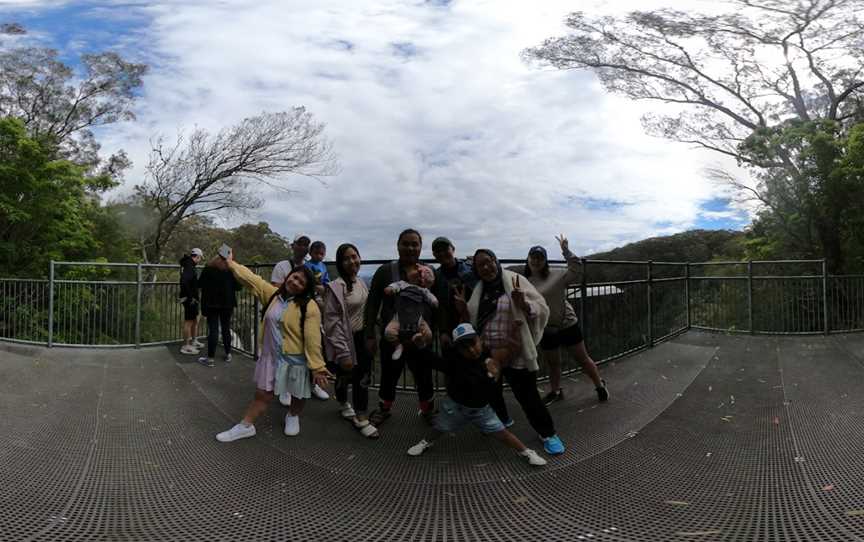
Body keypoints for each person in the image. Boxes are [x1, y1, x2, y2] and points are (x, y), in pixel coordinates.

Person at [216, 249, 331, 442]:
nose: (295, 283)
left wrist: (318, 367)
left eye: (301, 282)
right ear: (288, 276)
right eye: (294, 277)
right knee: (263, 394)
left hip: (296, 360)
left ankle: (293, 416)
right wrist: (231, 263)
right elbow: (253, 280)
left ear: (306, 288)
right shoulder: (273, 295)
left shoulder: (309, 306)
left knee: (298, 395)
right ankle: (246, 426)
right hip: (271, 357)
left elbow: (313, 340)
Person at [462, 248, 566, 456]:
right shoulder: (478, 290)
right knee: (492, 391)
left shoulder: (515, 280)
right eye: (480, 264)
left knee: (527, 396)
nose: (486, 267)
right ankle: (501, 419)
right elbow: (473, 318)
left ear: (496, 260)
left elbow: (542, 308)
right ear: (476, 270)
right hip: (489, 352)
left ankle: (548, 433)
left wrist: (525, 305)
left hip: (516, 349)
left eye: (489, 261)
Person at [406, 323, 547, 467]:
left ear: (479, 339)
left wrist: (494, 375)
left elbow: (495, 376)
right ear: (458, 349)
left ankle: (526, 452)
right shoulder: (454, 363)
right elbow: (433, 360)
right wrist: (421, 346)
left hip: (481, 409)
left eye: (473, 343)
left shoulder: (489, 358)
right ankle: (425, 443)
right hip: (455, 407)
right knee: (439, 427)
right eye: (465, 347)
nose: (472, 350)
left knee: (502, 433)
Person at [522, 236, 608, 404]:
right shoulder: (524, 281)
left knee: (582, 359)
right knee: (553, 363)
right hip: (546, 328)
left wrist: (566, 250)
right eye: (533, 257)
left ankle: (599, 385)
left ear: (545, 261)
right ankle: (555, 391)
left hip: (567, 323)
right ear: (528, 259)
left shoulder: (557, 274)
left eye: (540, 258)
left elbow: (576, 269)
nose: (536, 261)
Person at [363, 229, 436, 426]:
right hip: (392, 336)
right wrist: (369, 334)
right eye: (406, 243)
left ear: (421, 247)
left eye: (415, 244)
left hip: (420, 335)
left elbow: (436, 304)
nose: (410, 248)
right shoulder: (385, 272)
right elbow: (372, 304)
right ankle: (384, 408)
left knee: (424, 376)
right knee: (388, 374)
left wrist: (436, 332)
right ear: (398, 245)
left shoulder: (428, 273)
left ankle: (427, 410)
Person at [322, 243, 378, 438]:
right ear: (340, 263)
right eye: (346, 258)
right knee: (345, 374)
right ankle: (349, 407)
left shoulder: (361, 281)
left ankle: (359, 413)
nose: (352, 261)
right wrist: (342, 351)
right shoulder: (337, 287)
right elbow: (331, 322)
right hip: (347, 340)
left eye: (354, 256)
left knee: (362, 377)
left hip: (363, 337)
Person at [270, 234, 329, 403]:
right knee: (286, 350)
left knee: (311, 345)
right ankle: (285, 387)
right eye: (300, 244)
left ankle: (312, 382)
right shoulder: (282, 266)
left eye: (306, 244)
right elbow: (275, 290)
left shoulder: (312, 267)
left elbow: (320, 288)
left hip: (306, 313)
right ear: (293, 245)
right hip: (285, 315)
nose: (303, 247)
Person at [431, 236, 477, 354]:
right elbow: (439, 307)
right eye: (438, 251)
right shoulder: (435, 277)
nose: (442, 253)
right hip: (451, 329)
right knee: (452, 366)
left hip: (474, 324)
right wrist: (443, 332)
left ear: (453, 249)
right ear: (434, 255)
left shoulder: (471, 268)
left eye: (445, 249)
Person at [383, 264, 437, 361]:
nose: (418, 274)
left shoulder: (423, 290)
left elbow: (430, 297)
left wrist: (434, 301)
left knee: (428, 334)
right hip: (400, 317)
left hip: (417, 318)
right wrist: (390, 289)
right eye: (417, 271)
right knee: (388, 332)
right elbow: (395, 286)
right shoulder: (402, 284)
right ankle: (398, 345)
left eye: (421, 274)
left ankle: (420, 341)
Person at [197, 254, 242, 367]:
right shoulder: (231, 270)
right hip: (228, 304)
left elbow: (200, 284)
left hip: (212, 304)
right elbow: (238, 287)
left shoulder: (208, 269)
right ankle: (228, 354)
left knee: (213, 329)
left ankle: (210, 358)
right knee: (226, 328)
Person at [179, 248, 204, 355]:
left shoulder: (189, 265)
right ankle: (186, 346)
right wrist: (190, 297)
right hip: (190, 299)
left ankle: (193, 341)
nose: (200, 261)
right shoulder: (189, 266)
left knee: (194, 320)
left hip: (192, 298)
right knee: (188, 321)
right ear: (197, 257)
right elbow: (184, 281)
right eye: (200, 258)